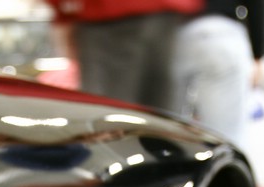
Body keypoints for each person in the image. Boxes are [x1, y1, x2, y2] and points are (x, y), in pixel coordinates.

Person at [45, 0, 202, 110]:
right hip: (167, 14)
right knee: (164, 114)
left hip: (110, 16)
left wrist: (64, 12)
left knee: (109, 117)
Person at [171, 0, 264, 149]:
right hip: (219, 32)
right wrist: (257, 54)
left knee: (165, 131)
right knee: (226, 141)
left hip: (171, 31)